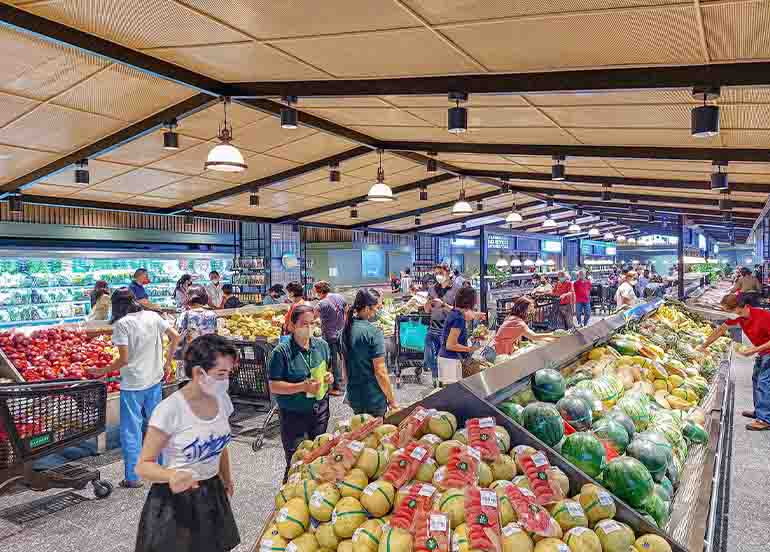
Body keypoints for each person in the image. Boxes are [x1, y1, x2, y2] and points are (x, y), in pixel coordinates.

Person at [134, 335, 240, 552]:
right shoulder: (169, 410)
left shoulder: (223, 400)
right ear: (199, 372)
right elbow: (144, 464)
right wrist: (171, 475)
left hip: (211, 491)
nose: (226, 380)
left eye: (229, 373)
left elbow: (220, 445)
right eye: (221, 373)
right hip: (175, 501)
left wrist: (226, 479)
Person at [86, 288, 181, 488]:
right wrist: (167, 361)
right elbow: (176, 336)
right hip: (154, 380)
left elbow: (124, 359)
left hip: (132, 384)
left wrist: (102, 370)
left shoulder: (123, 324)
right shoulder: (152, 316)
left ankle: (133, 477)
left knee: (131, 431)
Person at [268, 305, 334, 480]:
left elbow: (327, 369)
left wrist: (329, 378)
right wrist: (301, 387)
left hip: (319, 410)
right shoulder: (281, 352)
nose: (309, 328)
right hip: (293, 415)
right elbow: (274, 386)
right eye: (304, 324)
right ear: (292, 325)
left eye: (312, 323)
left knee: (319, 457)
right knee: (297, 461)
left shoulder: (322, 346)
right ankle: (288, 497)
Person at [700, 294, 770, 431]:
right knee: (756, 379)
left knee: (764, 382)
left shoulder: (762, 316)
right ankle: (759, 411)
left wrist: (753, 350)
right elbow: (720, 330)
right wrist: (703, 346)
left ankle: (765, 419)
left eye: (728, 311)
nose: (727, 315)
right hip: (763, 352)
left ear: (739, 308)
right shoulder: (740, 317)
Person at [342, 290, 398, 417]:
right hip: (373, 398)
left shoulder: (345, 330)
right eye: (376, 308)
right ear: (367, 308)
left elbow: (344, 368)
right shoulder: (373, 332)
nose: (376, 312)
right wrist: (392, 400)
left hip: (354, 396)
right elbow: (380, 372)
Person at [424, 264, 464, 388]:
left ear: (449, 273)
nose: (438, 276)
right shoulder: (432, 289)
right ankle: (437, 380)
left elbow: (460, 311)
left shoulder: (457, 289)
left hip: (448, 330)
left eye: (440, 273)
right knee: (429, 357)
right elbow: (426, 310)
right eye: (436, 273)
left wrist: (443, 305)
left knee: (446, 360)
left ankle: (445, 385)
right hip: (432, 328)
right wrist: (428, 304)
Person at [437, 287, 481, 385]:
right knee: (454, 396)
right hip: (451, 362)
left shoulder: (455, 312)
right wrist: (470, 349)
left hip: (447, 359)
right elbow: (451, 345)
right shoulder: (459, 318)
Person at [313, 281, 347, 396]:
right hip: (342, 333)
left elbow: (312, 316)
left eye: (316, 292)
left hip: (330, 335)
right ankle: (346, 384)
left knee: (333, 361)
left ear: (320, 291)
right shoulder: (339, 297)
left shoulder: (322, 303)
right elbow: (346, 310)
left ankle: (337, 387)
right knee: (344, 358)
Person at [493, 297, 558, 354]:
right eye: (530, 310)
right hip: (502, 350)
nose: (532, 313)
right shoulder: (519, 323)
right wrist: (554, 334)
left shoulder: (511, 317)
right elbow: (534, 336)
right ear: (523, 310)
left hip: (499, 347)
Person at [176, 290, 218, 362]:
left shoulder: (185, 315)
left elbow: (178, 335)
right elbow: (215, 334)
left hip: (191, 355)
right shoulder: (212, 315)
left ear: (189, 301)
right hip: (208, 354)